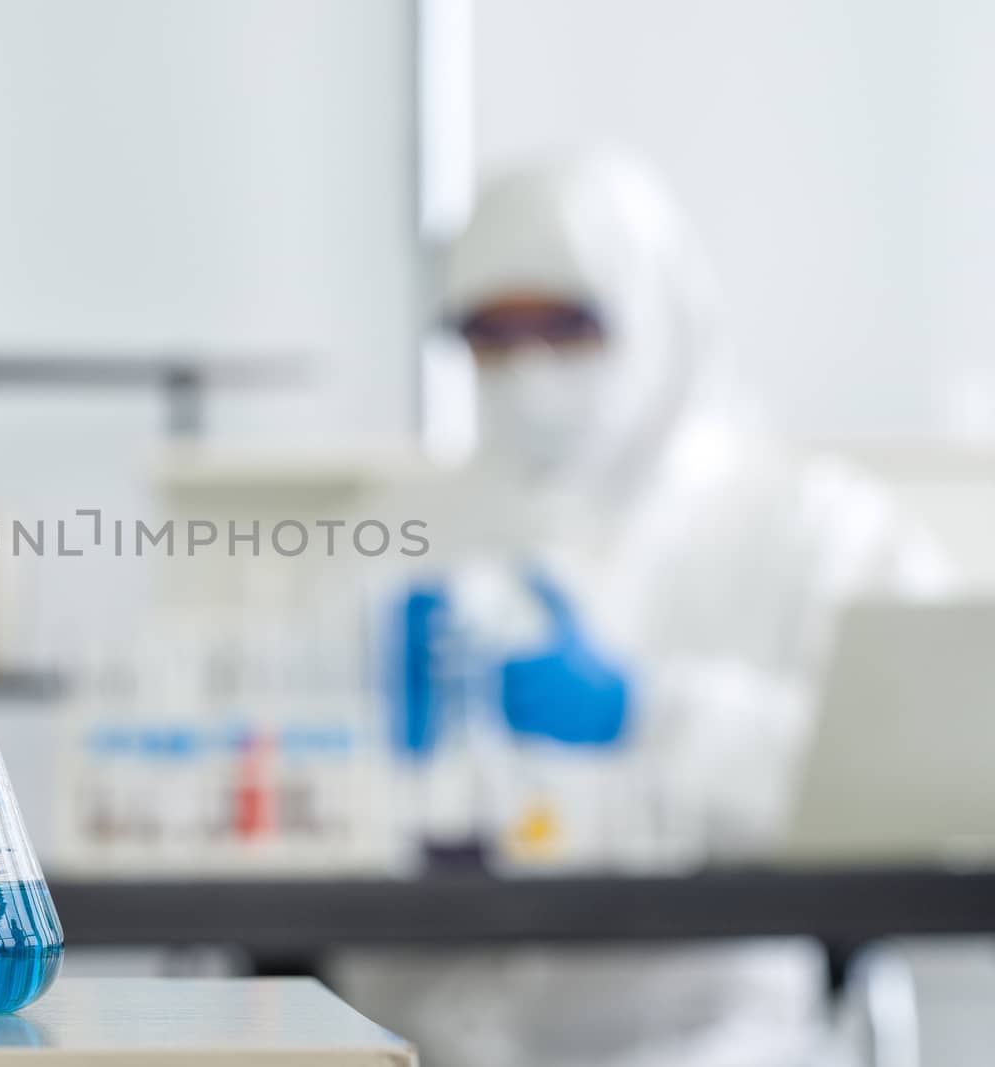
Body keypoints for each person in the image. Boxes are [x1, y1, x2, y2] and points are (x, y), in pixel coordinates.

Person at [340, 150, 952, 1067]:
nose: (527, 366)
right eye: (492, 335)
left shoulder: (811, 526)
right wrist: (353, 744)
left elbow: (918, 771)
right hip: (429, 1033)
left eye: (566, 325)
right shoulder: (397, 530)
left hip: (706, 1033)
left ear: (656, 316)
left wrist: (649, 711)